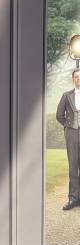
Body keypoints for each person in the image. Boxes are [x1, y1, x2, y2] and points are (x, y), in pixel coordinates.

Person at [56, 68, 80, 210]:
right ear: (73, 79)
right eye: (76, 77)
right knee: (73, 167)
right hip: (71, 134)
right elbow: (59, 115)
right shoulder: (66, 95)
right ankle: (73, 199)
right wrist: (69, 125)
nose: (78, 79)